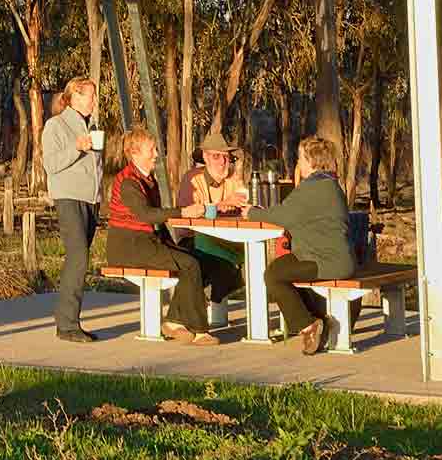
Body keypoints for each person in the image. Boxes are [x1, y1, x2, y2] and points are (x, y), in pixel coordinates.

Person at [105, 127, 240, 345]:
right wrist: (182, 212)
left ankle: (176, 321)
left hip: (145, 243)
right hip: (129, 247)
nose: (157, 154)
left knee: (193, 260)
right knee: (189, 264)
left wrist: (170, 242)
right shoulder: (129, 182)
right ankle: (198, 329)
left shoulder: (147, 179)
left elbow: (154, 220)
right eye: (152, 150)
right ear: (135, 153)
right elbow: (147, 215)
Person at [245, 134, 356, 354]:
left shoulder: (311, 189)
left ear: (311, 161)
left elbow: (283, 215)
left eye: (300, 159)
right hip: (334, 258)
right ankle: (315, 320)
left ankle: (308, 325)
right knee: (284, 268)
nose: (298, 163)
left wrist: (251, 213)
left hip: (325, 262)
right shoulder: (330, 184)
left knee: (274, 274)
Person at [40, 77, 104, 342]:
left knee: (79, 259)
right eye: (89, 96)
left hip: (91, 200)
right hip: (68, 198)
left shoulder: (93, 127)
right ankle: (66, 325)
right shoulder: (55, 125)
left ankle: (68, 320)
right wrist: (77, 148)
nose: (93, 101)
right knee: (78, 257)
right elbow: (51, 164)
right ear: (75, 97)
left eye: (93, 96)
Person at [176, 130, 250, 212]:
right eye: (216, 156)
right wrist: (223, 204)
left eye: (226, 156)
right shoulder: (193, 179)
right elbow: (187, 213)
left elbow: (245, 205)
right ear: (205, 157)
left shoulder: (233, 179)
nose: (222, 161)